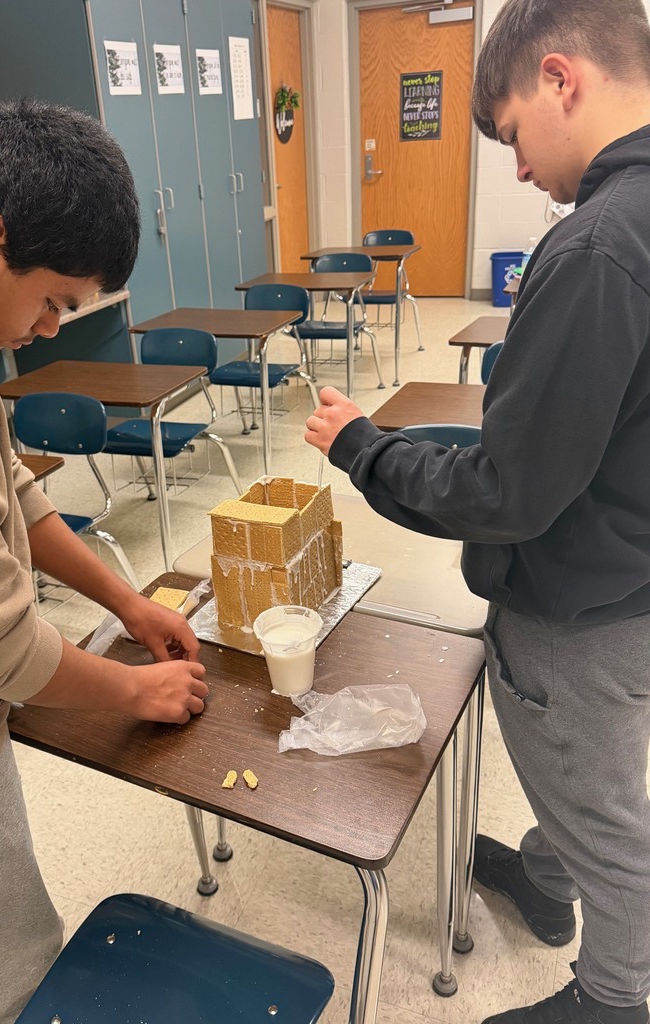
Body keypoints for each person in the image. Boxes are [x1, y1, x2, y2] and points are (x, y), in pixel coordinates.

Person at [305, 1, 650, 1021]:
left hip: (580, 603)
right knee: (587, 759)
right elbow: (578, 439)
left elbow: (510, 493)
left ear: (560, 79)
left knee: (600, 801)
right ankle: (548, 876)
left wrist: (367, 449)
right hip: (628, 559)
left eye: (508, 135)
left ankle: (617, 995)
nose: (517, 169)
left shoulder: (596, 248)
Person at [0, 98, 208, 1024]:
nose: (53, 327)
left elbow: (9, 494)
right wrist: (133, 691)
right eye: (55, 301)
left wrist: (125, 602)